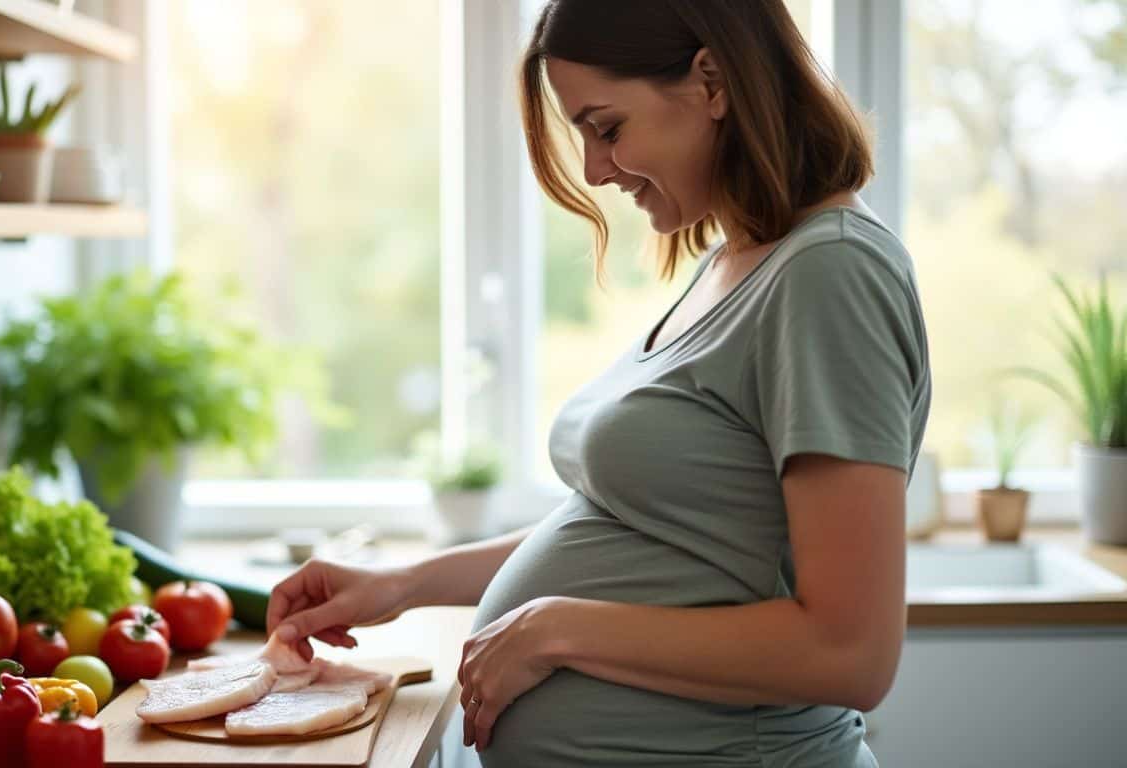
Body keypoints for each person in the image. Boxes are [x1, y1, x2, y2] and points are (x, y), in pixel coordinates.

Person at [265, 1, 931, 765]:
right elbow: (644, 530)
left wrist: (553, 629)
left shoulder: (830, 275)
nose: (593, 169)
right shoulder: (737, 260)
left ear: (712, 81)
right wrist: (401, 583)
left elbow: (848, 652)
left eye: (607, 128)